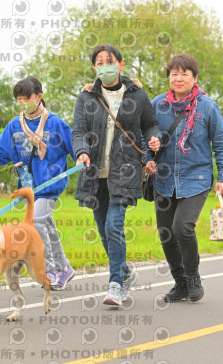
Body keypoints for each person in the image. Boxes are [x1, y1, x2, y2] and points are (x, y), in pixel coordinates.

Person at [0, 76, 77, 290]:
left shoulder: (55, 123)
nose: (22, 103)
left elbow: (76, 146)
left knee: (38, 221)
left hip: (49, 186)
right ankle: (64, 267)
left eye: (26, 98)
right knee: (46, 225)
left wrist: (83, 156)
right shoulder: (15, 126)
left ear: (39, 97)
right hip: (28, 186)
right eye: (19, 100)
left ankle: (50, 269)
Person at [72, 44, 161, 306]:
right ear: (94, 68)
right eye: (99, 63)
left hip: (125, 170)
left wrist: (154, 138)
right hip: (94, 173)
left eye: (109, 62)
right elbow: (78, 131)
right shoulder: (87, 97)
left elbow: (150, 124)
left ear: (120, 65)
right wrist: (81, 152)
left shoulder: (137, 95)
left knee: (113, 226)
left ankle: (116, 286)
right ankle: (124, 273)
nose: (104, 67)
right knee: (103, 229)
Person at [144, 53, 223, 303]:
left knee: (182, 227)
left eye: (185, 73)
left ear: (195, 77)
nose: (179, 78)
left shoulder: (208, 107)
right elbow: (145, 134)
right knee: (166, 233)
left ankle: (193, 277)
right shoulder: (158, 104)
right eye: (174, 73)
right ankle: (180, 283)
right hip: (163, 179)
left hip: (196, 177)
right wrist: (147, 157)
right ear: (168, 77)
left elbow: (222, 144)